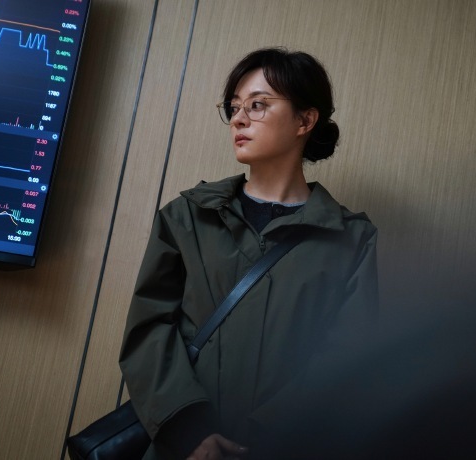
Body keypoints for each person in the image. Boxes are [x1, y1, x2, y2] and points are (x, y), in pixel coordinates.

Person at [118, 47, 379, 460]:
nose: (239, 119)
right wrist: (190, 431)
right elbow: (148, 330)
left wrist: (266, 437)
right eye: (234, 107)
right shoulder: (187, 217)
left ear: (305, 120)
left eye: (258, 105)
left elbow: (346, 358)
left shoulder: (351, 240)